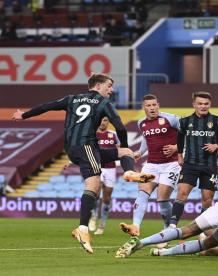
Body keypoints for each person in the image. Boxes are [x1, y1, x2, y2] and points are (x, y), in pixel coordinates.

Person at [12, 73, 155, 254]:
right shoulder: (103, 103)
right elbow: (120, 126)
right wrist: (124, 142)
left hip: (75, 148)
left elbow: (46, 106)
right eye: (109, 86)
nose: (111, 90)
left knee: (124, 154)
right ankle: (83, 228)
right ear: (98, 86)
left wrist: (24, 115)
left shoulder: (72, 99)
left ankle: (127, 174)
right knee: (94, 184)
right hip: (86, 146)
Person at [119, 94, 181, 239]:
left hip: (171, 165)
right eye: (149, 105)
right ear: (144, 107)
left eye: (154, 105)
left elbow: (187, 134)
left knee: (162, 198)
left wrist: (176, 147)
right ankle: (135, 227)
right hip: (151, 164)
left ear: (158, 105)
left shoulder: (171, 119)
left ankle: (167, 231)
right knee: (142, 193)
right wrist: (140, 152)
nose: (152, 108)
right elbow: (146, 138)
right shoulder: (141, 123)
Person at [169, 91, 218, 228]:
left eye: (206, 104)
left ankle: (203, 230)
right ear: (194, 104)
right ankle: (172, 226)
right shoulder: (185, 121)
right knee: (182, 193)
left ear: (210, 104)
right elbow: (180, 138)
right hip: (190, 163)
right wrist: (179, 154)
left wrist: (217, 145)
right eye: (200, 104)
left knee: (207, 199)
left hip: (210, 165)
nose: (203, 106)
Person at [88, 116, 119, 235]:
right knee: (96, 191)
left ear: (108, 122)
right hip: (97, 167)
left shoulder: (114, 135)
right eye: (100, 120)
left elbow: (120, 149)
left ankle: (102, 224)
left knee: (106, 197)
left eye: (105, 120)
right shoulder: (92, 135)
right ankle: (94, 216)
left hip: (111, 169)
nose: (102, 123)